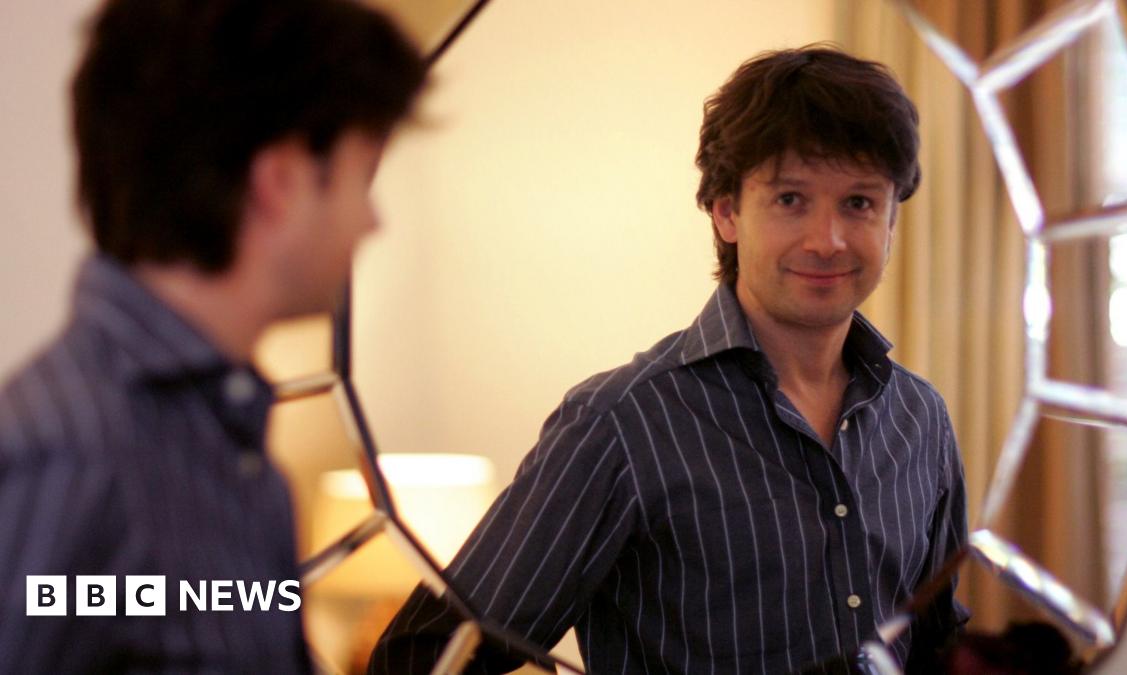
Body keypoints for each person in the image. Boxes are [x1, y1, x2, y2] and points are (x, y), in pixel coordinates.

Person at [370, 45, 968, 673]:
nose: (829, 240)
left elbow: (936, 646)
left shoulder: (920, 418)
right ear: (727, 210)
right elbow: (420, 657)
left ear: (892, 220)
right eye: (791, 199)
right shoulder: (622, 422)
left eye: (859, 203)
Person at [0, 0, 425, 671]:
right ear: (281, 180)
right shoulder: (68, 455)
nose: (372, 221)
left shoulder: (236, 463)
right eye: (362, 177)